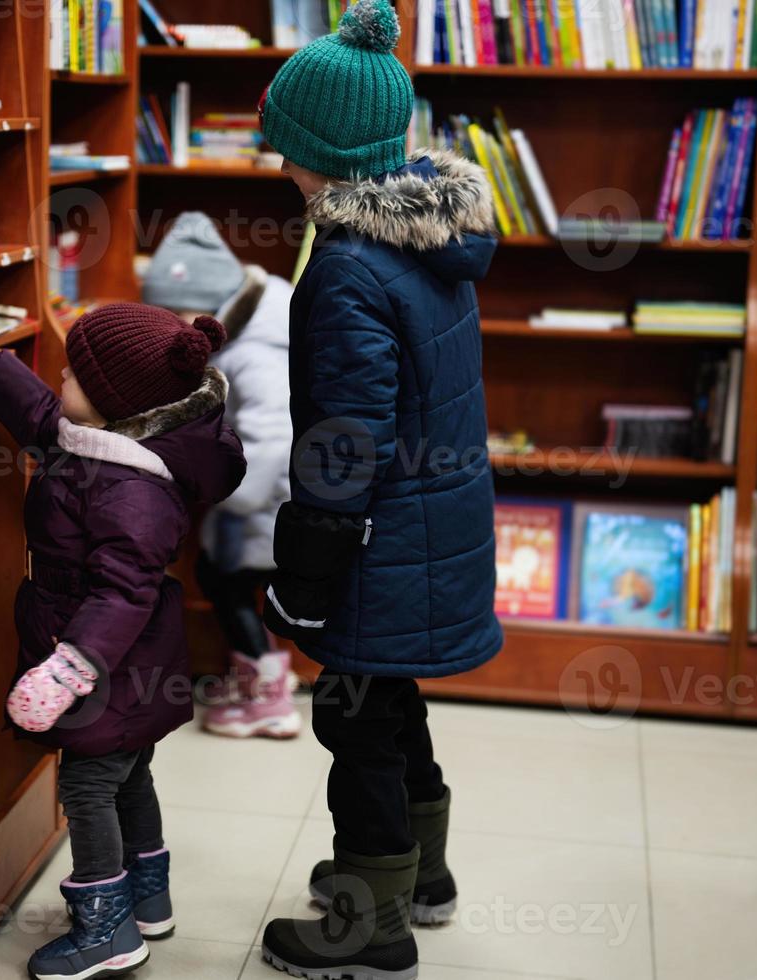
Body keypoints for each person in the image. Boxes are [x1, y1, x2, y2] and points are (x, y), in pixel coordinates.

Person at [253, 1, 503, 977]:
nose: (280, 166)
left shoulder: (347, 267)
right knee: (390, 698)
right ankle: (420, 877)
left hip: (378, 536)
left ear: (324, 154)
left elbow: (346, 440)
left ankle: (369, 925)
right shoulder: (428, 235)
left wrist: (306, 569)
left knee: (352, 712)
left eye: (288, 149)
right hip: (428, 522)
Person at [0, 303, 245, 980]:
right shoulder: (106, 441)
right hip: (130, 663)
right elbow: (48, 423)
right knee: (130, 774)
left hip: (107, 663)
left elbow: (123, 592)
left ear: (112, 405)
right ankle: (147, 895)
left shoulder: (130, 490)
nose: (62, 378)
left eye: (74, 373)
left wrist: (70, 667)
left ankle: (106, 927)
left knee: (88, 783)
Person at [141, 211, 302, 738]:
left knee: (228, 583)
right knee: (225, 581)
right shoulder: (248, 325)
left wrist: (229, 495)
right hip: (257, 496)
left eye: (180, 315)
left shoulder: (257, 353)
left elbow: (272, 434)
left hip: (265, 499)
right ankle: (259, 672)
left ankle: (269, 698)